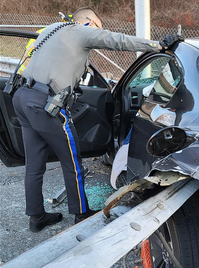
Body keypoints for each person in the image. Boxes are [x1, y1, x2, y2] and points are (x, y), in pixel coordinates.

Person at [12, 6, 184, 232]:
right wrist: (158, 45)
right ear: (90, 22)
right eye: (99, 28)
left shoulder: (52, 28)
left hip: (22, 97)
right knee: (72, 162)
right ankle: (81, 214)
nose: (98, 33)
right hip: (46, 104)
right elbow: (118, 41)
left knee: (34, 165)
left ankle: (36, 217)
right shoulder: (82, 31)